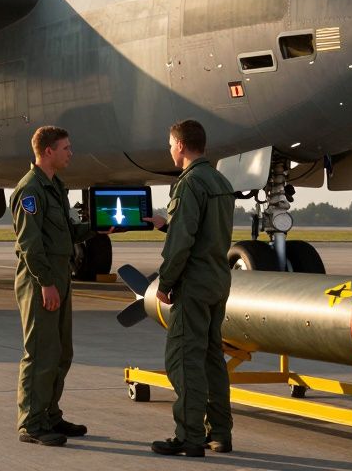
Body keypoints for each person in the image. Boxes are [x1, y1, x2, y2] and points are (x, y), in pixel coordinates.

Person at [142, 119, 236, 457]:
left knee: (183, 359)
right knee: (213, 357)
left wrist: (166, 283)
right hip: (217, 280)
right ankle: (220, 433)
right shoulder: (220, 181)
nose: (169, 149)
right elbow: (206, 233)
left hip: (193, 285)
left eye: (171, 144)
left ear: (181, 145)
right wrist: (167, 224)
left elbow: (182, 244)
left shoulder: (189, 183)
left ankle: (190, 436)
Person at [11, 125, 97, 447]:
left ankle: (50, 414)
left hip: (60, 275)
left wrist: (101, 229)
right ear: (48, 151)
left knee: (62, 351)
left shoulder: (56, 187)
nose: (70, 153)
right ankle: (31, 424)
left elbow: (70, 232)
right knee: (40, 352)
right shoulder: (30, 190)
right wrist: (46, 283)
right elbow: (29, 243)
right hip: (40, 280)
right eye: (66, 148)